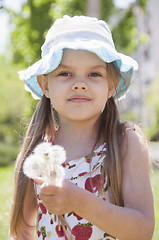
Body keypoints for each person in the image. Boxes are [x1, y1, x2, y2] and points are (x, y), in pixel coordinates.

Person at [9, 15, 155, 240]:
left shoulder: (126, 142)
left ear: (111, 85)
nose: (79, 83)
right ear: (45, 84)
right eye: (65, 73)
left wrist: (79, 201)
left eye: (94, 74)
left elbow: (142, 231)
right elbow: (23, 231)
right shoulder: (40, 153)